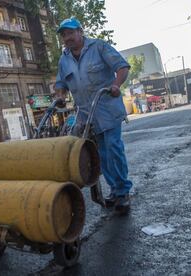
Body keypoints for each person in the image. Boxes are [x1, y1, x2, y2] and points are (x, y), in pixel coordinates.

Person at [54, 17, 133, 213]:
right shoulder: (64, 59)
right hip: (86, 116)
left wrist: (116, 85)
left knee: (114, 148)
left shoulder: (99, 47)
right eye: (64, 35)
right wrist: (60, 96)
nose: (67, 38)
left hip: (107, 109)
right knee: (101, 155)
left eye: (70, 33)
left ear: (80, 31)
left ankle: (123, 192)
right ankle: (115, 190)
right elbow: (61, 84)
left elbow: (122, 67)